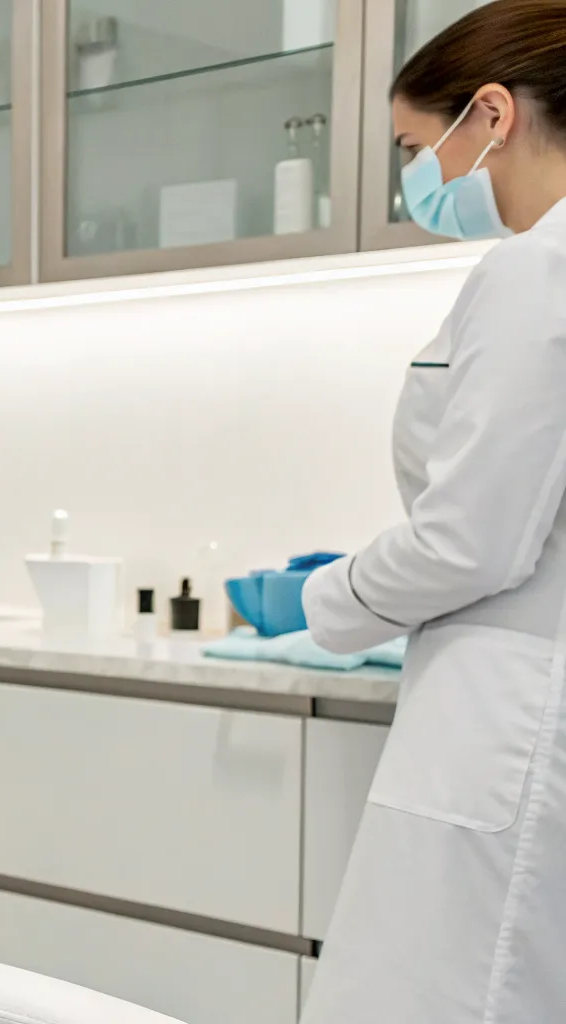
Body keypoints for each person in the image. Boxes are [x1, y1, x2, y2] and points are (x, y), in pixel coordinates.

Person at [303, 3, 566, 1020]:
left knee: (451, 994)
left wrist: (326, 597)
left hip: (508, 720)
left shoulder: (534, 272)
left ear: (490, 114)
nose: (419, 177)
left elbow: (469, 538)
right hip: (518, 704)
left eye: (419, 146)